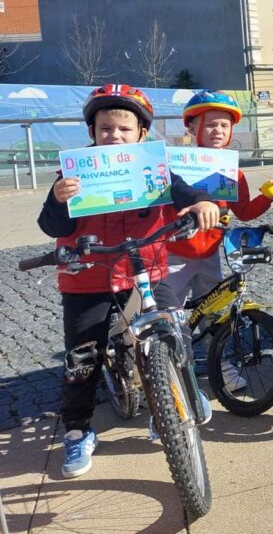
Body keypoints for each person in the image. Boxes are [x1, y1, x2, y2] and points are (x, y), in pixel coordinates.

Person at [37, 84, 220, 479]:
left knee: (170, 328)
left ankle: (175, 396)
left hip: (143, 269)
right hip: (87, 276)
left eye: (124, 129)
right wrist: (57, 197)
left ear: (141, 134)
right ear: (92, 132)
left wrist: (200, 202)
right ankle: (77, 429)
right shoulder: (74, 173)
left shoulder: (151, 166)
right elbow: (51, 224)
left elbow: (179, 189)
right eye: (105, 128)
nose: (114, 136)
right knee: (82, 358)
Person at [164, 91, 273, 390]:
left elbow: (244, 211)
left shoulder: (232, 171)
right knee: (171, 319)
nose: (218, 131)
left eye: (224, 126)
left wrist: (266, 198)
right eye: (211, 124)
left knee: (213, 315)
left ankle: (222, 365)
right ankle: (174, 372)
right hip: (174, 255)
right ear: (192, 128)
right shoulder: (174, 166)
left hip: (209, 254)